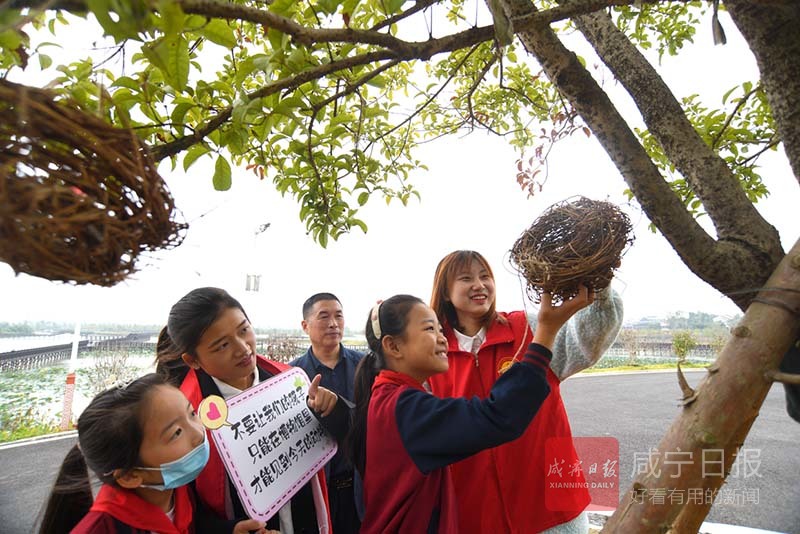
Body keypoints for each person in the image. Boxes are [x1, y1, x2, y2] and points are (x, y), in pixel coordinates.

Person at [347, 292, 593, 534]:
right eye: (429, 329)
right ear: (393, 346)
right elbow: (497, 416)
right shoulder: (404, 409)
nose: (442, 338)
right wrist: (545, 332)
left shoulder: (388, 398)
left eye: (441, 330)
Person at [428, 250, 624, 534]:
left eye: (485, 276)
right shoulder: (433, 352)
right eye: (466, 278)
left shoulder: (529, 329)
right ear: (446, 292)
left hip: (551, 509)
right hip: (473, 512)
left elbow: (586, 342)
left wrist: (601, 285)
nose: (479, 285)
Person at [156, 287, 343, 534]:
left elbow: (337, 441)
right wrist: (228, 530)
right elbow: (181, 508)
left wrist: (333, 410)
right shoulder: (188, 418)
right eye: (222, 345)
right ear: (193, 360)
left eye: (244, 330)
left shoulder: (286, 382)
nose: (243, 348)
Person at [39, 373, 270, 534]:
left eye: (191, 414)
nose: (199, 432)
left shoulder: (178, 491)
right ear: (130, 476)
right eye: (176, 433)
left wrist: (228, 530)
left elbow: (196, 526)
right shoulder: (102, 528)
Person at [291, 293, 364, 533]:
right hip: (315, 492)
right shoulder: (291, 376)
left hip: (361, 487)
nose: (334, 323)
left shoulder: (365, 367)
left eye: (339, 316)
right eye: (324, 316)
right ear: (305, 325)